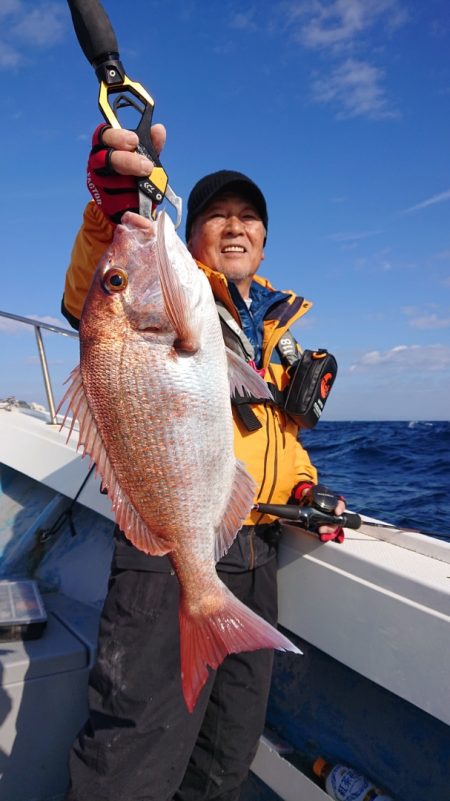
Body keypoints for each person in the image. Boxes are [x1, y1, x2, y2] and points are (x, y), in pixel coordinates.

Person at [61, 122, 345, 801]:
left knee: (226, 752)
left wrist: (302, 481)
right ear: (192, 236)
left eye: (249, 217)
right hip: (168, 554)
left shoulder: (274, 330)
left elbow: (272, 429)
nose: (235, 226)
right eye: (218, 214)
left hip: (254, 553)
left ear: (266, 239)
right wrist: (108, 208)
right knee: (133, 753)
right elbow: (90, 298)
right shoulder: (173, 292)